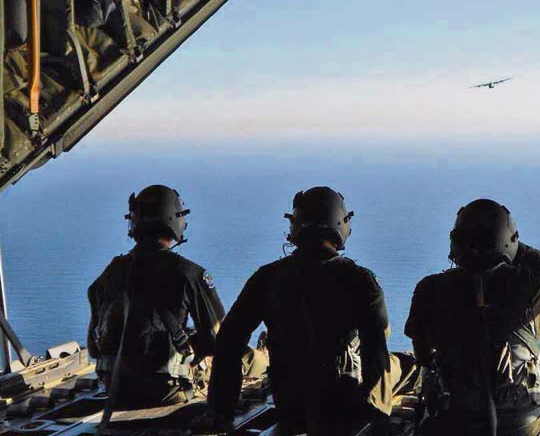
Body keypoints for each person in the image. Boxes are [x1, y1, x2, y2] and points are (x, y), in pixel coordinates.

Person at [208, 186, 417, 435]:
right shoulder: (361, 280)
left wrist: (223, 412)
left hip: (288, 403)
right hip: (341, 403)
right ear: (341, 225)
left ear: (295, 226)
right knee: (409, 365)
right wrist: (376, 416)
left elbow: (229, 341)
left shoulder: (267, 277)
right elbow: (375, 350)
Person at [405, 199, 540, 436]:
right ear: (509, 240)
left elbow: (423, 355)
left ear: (456, 242)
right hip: (520, 427)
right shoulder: (534, 285)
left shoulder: (429, 288)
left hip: (452, 422)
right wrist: (515, 248)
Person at [87, 184, 267, 409]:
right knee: (254, 360)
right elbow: (221, 339)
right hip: (165, 392)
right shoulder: (188, 274)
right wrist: (188, 343)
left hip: (115, 390)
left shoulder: (110, 274)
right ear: (175, 220)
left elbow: (94, 348)